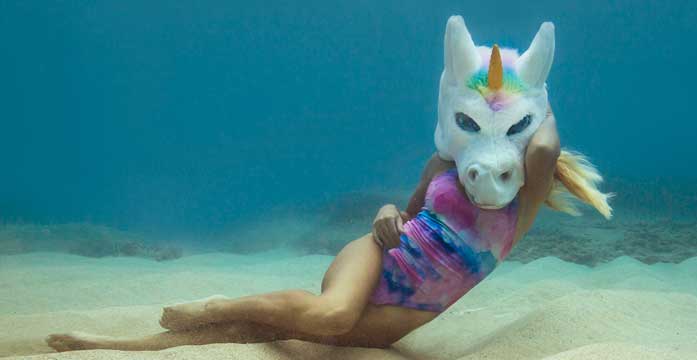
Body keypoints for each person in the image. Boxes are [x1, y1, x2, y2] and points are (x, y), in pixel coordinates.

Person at [45, 105, 580, 351]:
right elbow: (405, 211)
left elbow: (546, 146)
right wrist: (383, 213)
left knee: (283, 334)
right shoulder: (444, 167)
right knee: (332, 313)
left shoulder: (522, 207)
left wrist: (530, 95)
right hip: (379, 256)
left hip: (406, 313)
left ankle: (119, 344)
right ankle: (213, 305)